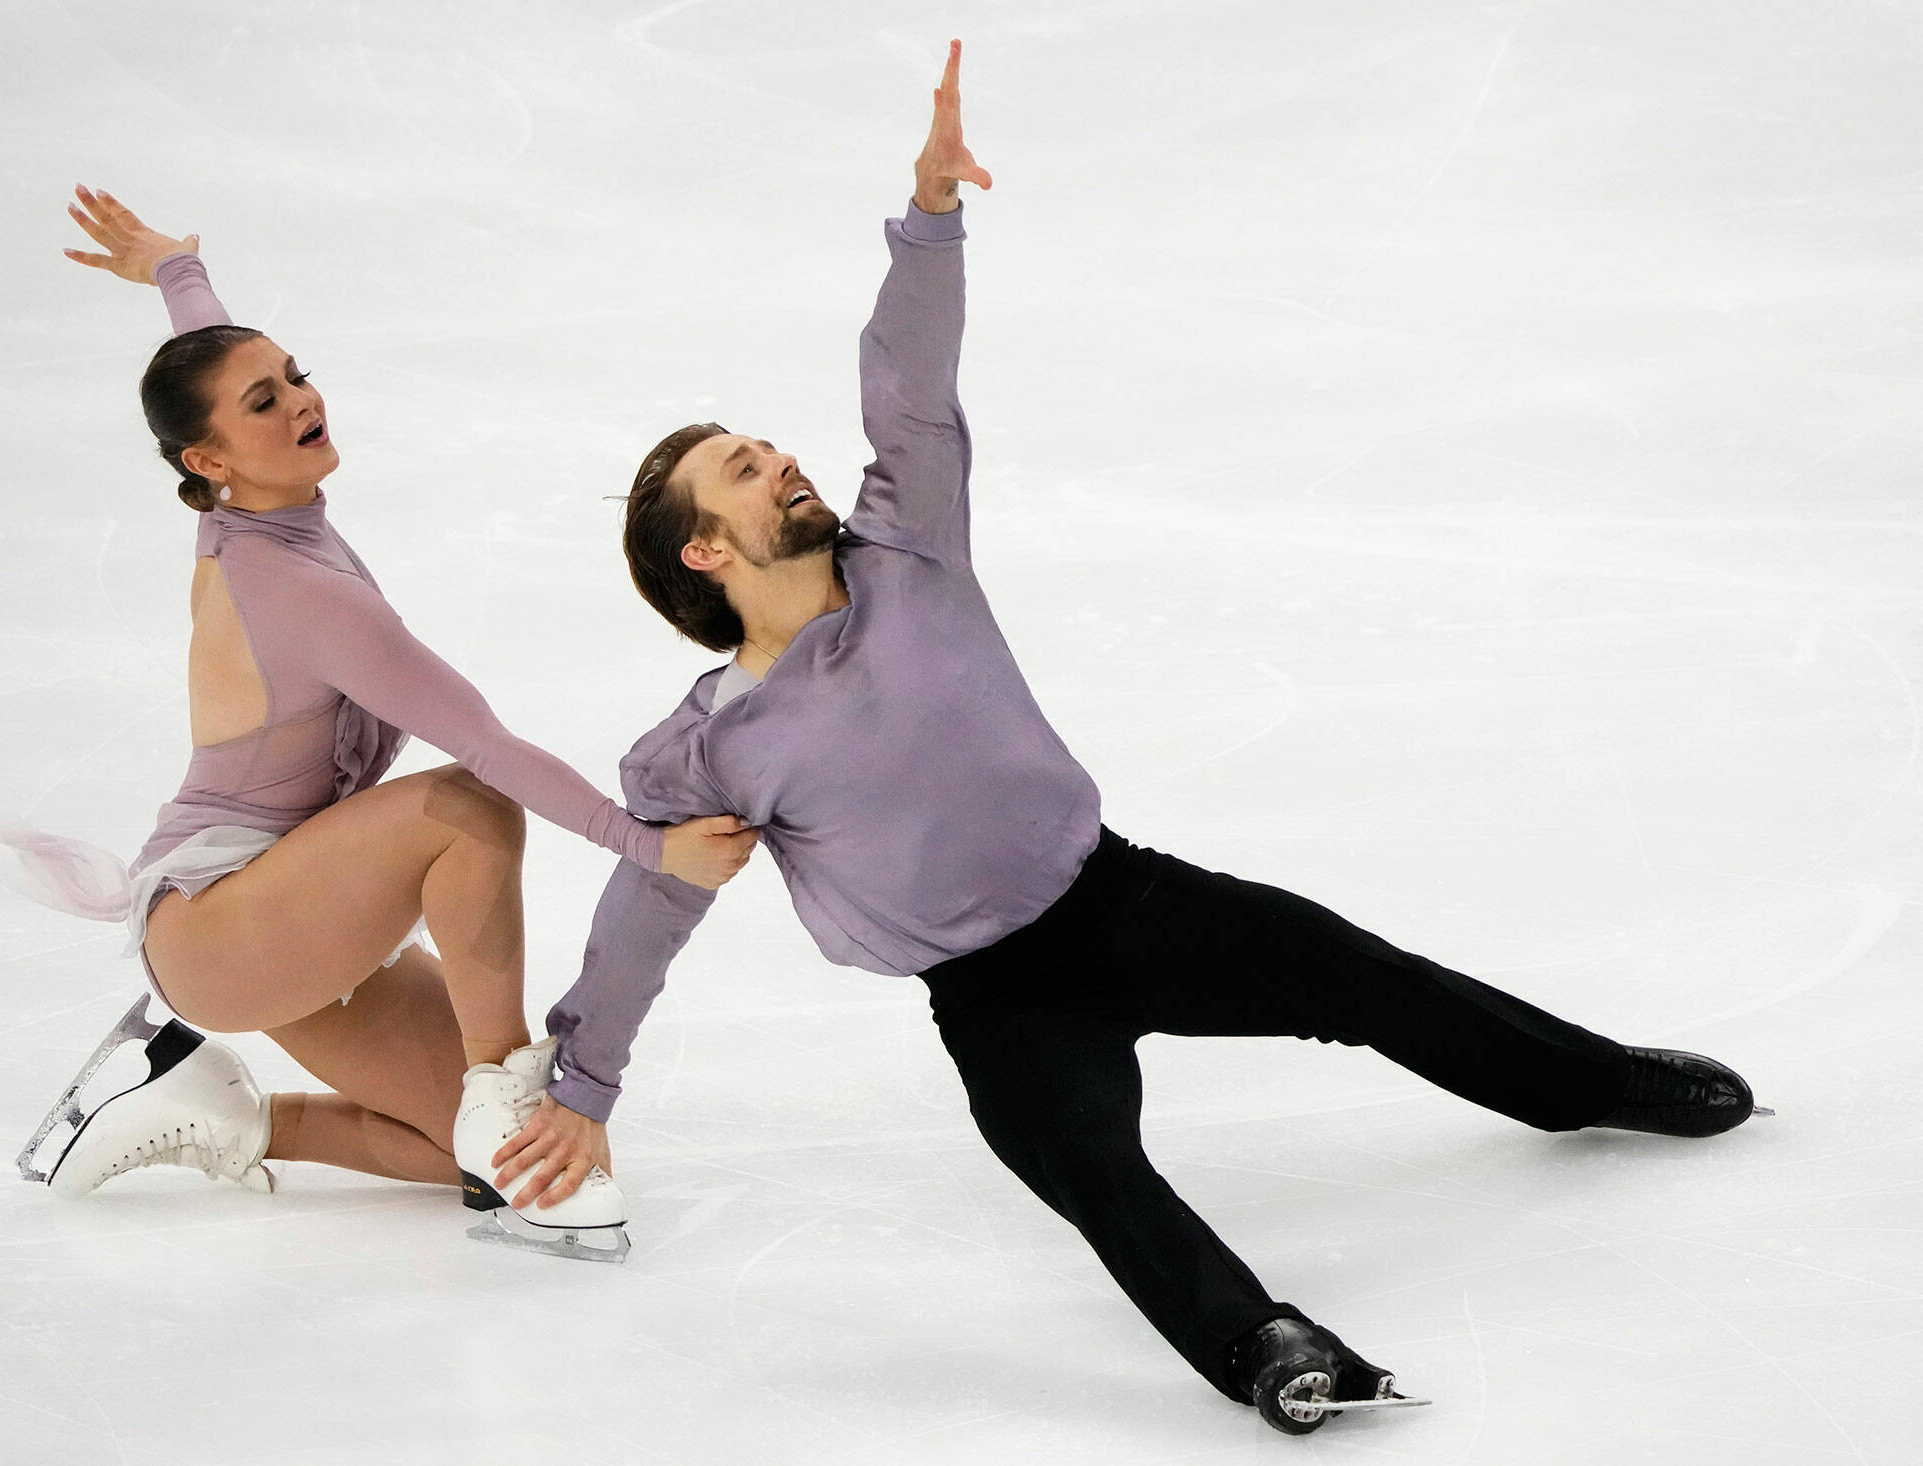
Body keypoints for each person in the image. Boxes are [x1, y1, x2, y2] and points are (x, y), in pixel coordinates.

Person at [486, 42, 1763, 1431]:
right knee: (1093, 1167)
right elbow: (644, 916)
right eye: (743, 466)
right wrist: (589, 1081)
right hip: (994, 998)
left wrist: (930, 212)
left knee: (1371, 976)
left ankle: (1599, 1083)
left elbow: (907, 379)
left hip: (1125, 896)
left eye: (764, 444)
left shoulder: (908, 539)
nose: (778, 458)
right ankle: (1266, 1344)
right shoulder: (706, 749)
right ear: (705, 546)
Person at [0, 189, 757, 1254]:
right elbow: (486, 745)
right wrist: (649, 845)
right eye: (263, 405)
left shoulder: (252, 505)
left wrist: (177, 271)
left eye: (296, 378)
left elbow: (210, 359)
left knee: (486, 1166)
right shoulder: (304, 594)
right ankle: (500, 1085)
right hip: (221, 924)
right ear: (208, 463)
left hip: (297, 907)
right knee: (464, 810)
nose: (299, 404)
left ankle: (211, 1109)